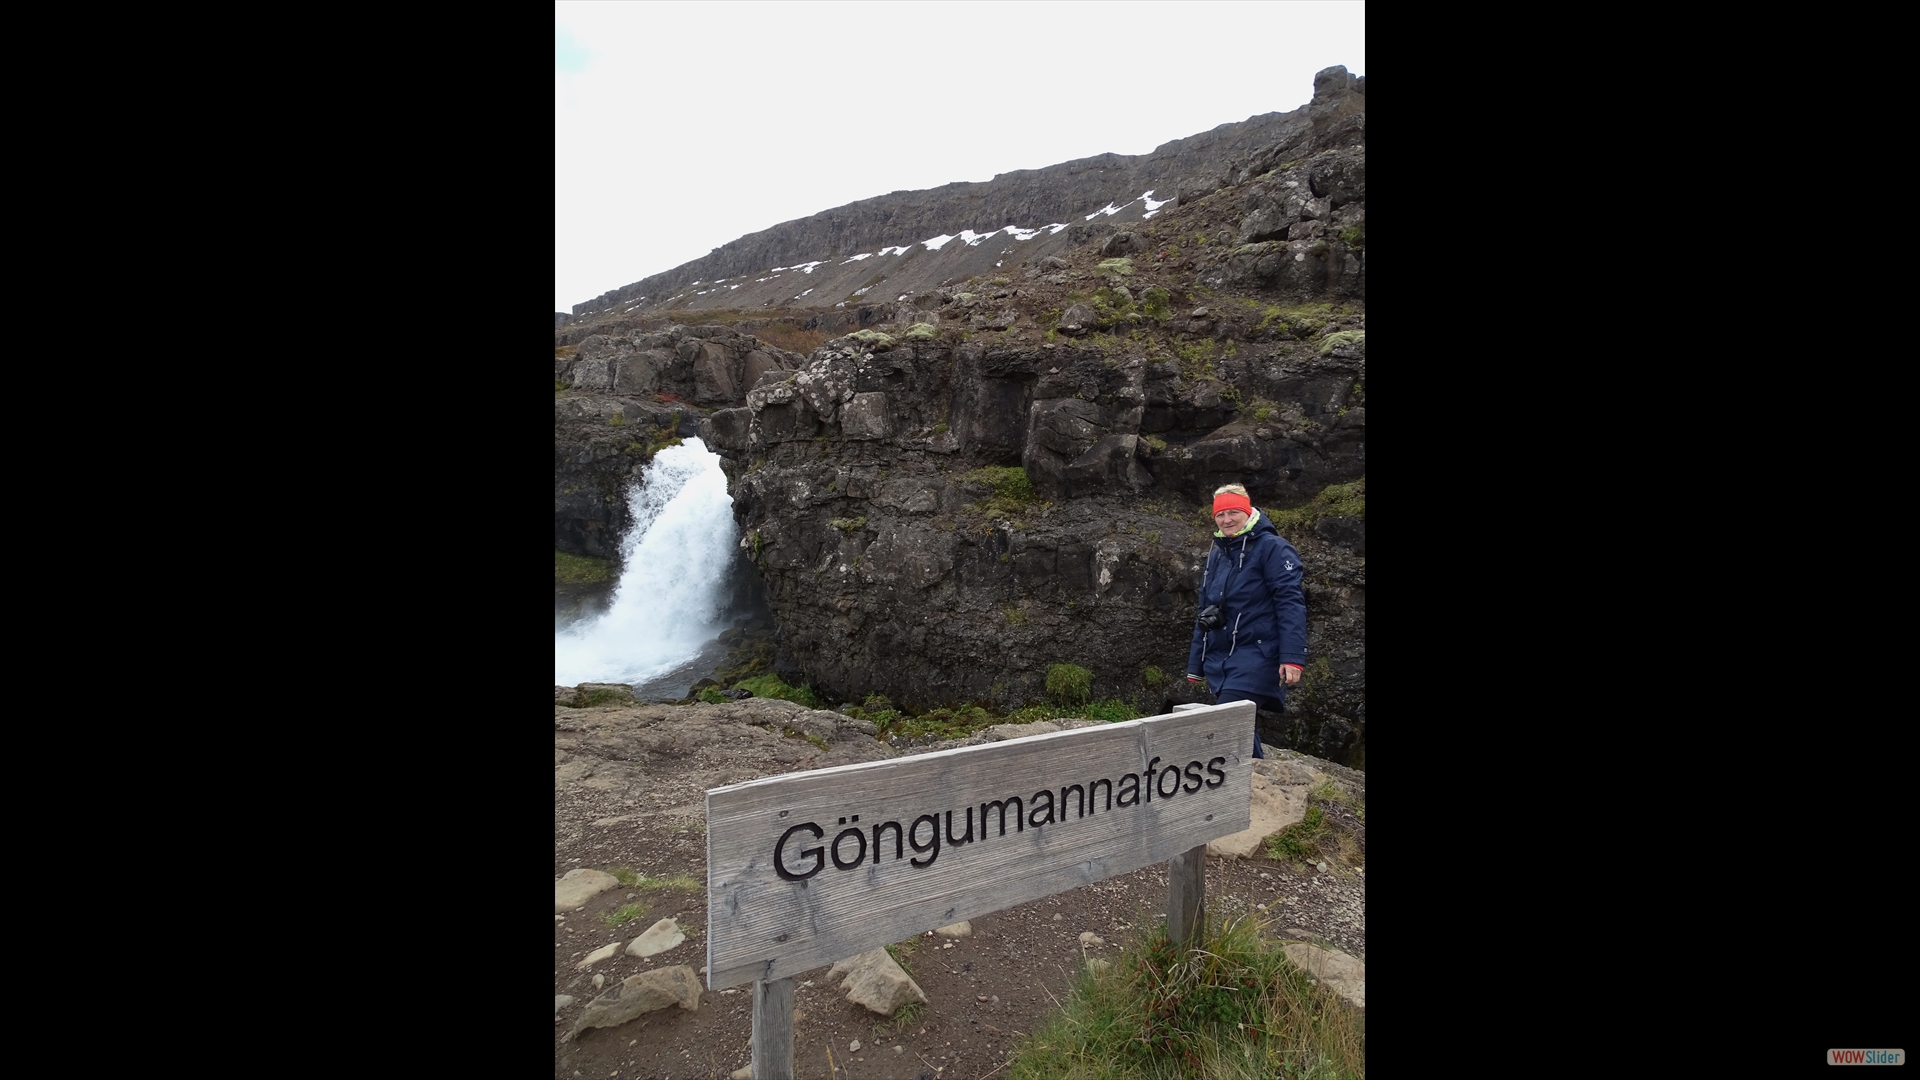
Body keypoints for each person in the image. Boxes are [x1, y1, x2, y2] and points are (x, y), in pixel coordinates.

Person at [1186, 484, 1307, 759]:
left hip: (1259, 653)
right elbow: (1206, 609)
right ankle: (1253, 784)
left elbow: (1291, 603)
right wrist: (1196, 664)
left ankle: (1241, 790)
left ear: (1248, 511)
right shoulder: (1218, 552)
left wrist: (1292, 657)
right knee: (1237, 728)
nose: (1227, 519)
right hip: (1222, 655)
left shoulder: (1273, 548)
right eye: (1220, 514)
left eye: (1233, 512)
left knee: (1226, 721)